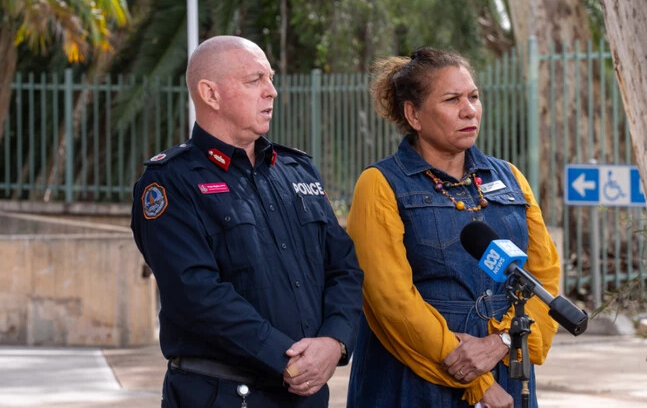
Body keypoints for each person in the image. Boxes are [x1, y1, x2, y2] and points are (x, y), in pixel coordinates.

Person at [131, 36, 363, 408]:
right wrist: (286, 359)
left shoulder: (296, 170)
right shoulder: (171, 181)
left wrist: (334, 341)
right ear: (210, 94)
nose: (271, 91)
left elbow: (344, 268)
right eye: (255, 80)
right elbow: (196, 294)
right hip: (221, 394)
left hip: (305, 394)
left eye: (270, 79)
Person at [345, 47, 560, 408]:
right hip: (417, 380)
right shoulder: (380, 184)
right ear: (413, 114)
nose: (469, 110)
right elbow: (391, 301)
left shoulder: (510, 179)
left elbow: (545, 276)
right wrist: (476, 381)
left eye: (473, 96)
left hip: (506, 368)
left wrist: (502, 341)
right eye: (452, 99)